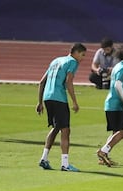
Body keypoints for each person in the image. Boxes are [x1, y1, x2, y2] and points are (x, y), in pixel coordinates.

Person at [36, 43, 87, 172]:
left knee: (55, 128)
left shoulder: (56, 61)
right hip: (59, 97)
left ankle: (44, 158)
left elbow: (42, 82)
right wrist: (74, 101)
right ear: (75, 52)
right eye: (82, 55)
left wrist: (40, 102)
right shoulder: (72, 62)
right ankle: (65, 164)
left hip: (48, 97)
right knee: (65, 130)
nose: (83, 58)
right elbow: (68, 81)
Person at [96, 42, 123, 167]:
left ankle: (104, 156)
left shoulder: (117, 66)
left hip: (110, 103)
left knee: (115, 131)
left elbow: (119, 85)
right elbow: (117, 85)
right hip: (117, 105)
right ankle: (103, 151)